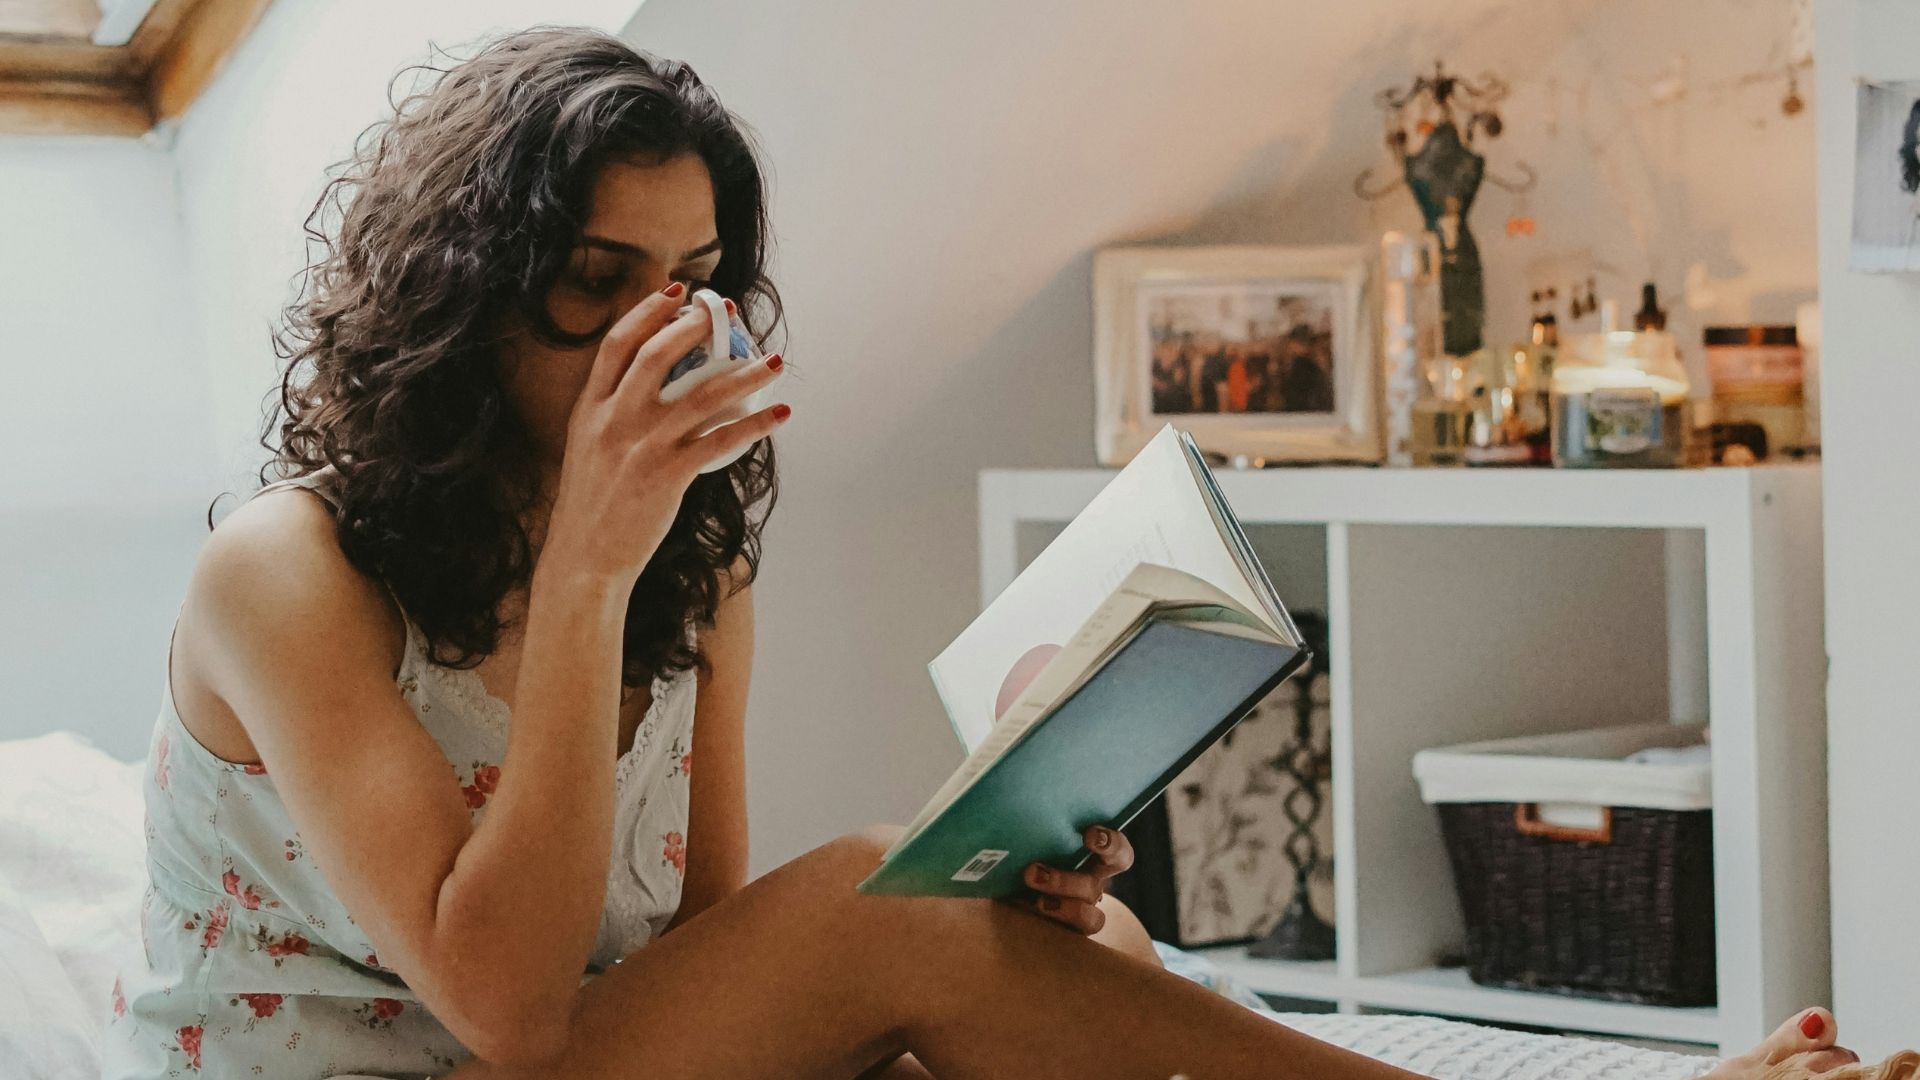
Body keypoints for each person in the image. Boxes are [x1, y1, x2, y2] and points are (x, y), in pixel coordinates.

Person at [100, 25, 1863, 1080]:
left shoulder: (695, 560)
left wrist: (990, 922)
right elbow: (503, 1006)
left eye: (693, 283)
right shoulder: (289, 574)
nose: (662, 337)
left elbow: (699, 957)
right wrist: (580, 577)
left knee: (1082, 962)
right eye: (593, 283)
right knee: (901, 910)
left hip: (578, 1050)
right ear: (464, 295)